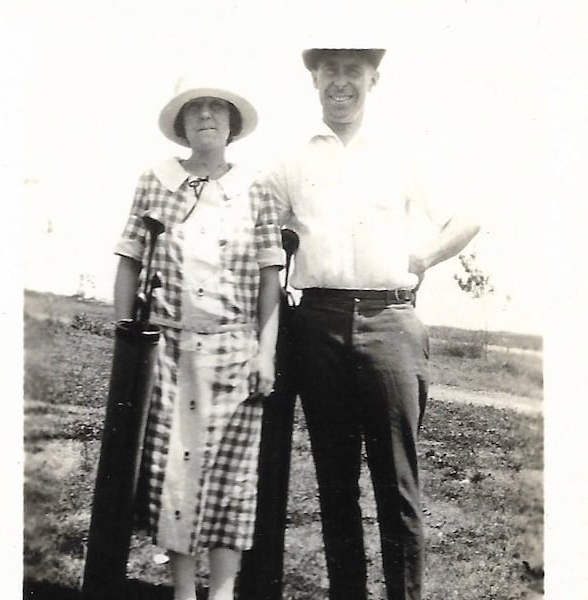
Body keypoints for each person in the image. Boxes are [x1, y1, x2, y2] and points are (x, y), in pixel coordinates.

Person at [250, 48, 481, 600]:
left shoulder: (402, 153)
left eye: (353, 71)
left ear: (373, 80)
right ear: (314, 80)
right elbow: (251, 226)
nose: (341, 83)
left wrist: (422, 259)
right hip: (318, 325)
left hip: (391, 322)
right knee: (335, 484)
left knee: (397, 483)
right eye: (329, 71)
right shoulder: (289, 161)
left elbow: (465, 218)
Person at [113, 79, 283, 600]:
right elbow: (129, 261)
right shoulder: (155, 181)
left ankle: (224, 591)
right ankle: (183, 590)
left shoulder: (259, 187)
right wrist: (128, 346)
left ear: (233, 124)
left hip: (234, 352)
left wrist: (266, 352)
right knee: (173, 473)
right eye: (195, 108)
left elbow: (270, 278)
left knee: (230, 476)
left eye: (217, 108)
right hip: (167, 351)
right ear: (181, 123)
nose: (206, 116)